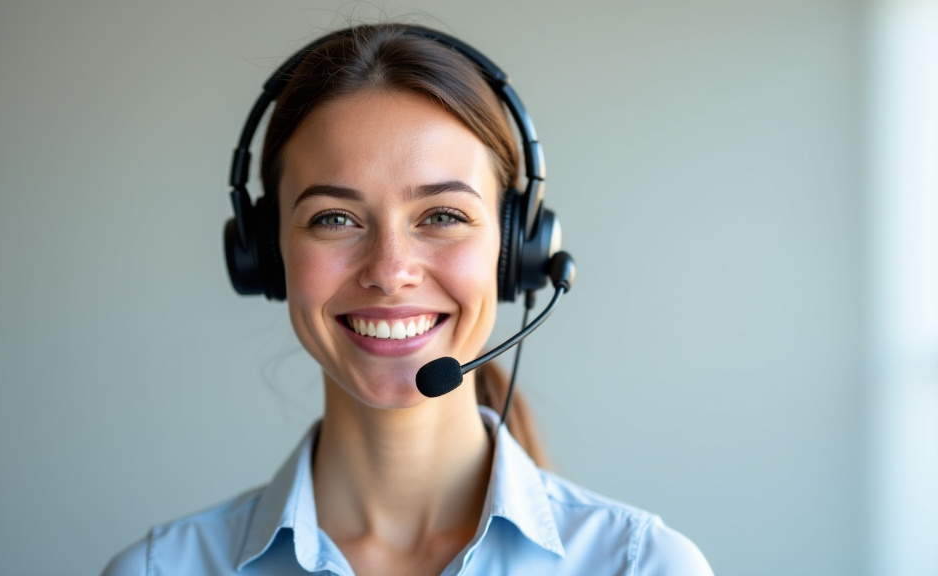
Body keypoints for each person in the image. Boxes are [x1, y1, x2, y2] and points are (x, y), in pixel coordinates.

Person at [102, 22, 713, 576]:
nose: (390, 272)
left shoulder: (644, 566)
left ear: (516, 249)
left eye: (443, 215)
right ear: (264, 253)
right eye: (334, 219)